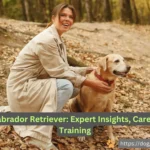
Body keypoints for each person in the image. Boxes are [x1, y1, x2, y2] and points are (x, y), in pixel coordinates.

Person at [1, 3, 113, 150]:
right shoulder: (46, 39)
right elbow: (58, 72)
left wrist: (86, 70)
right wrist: (91, 83)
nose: (67, 19)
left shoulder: (56, 38)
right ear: (53, 18)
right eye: (63, 15)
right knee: (66, 86)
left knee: (74, 88)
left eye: (71, 17)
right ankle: (39, 135)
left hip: (33, 85)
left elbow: (63, 68)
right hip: (22, 87)